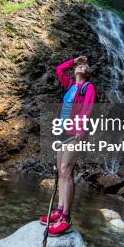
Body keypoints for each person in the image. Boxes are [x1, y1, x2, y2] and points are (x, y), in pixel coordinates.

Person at [40, 55, 96, 236]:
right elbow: (59, 69)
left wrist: (81, 130)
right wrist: (74, 61)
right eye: (79, 66)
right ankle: (59, 211)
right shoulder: (71, 86)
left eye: (85, 66)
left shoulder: (89, 87)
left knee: (65, 169)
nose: (82, 67)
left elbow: (88, 108)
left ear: (88, 73)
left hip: (76, 134)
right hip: (62, 133)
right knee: (61, 172)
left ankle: (66, 218)